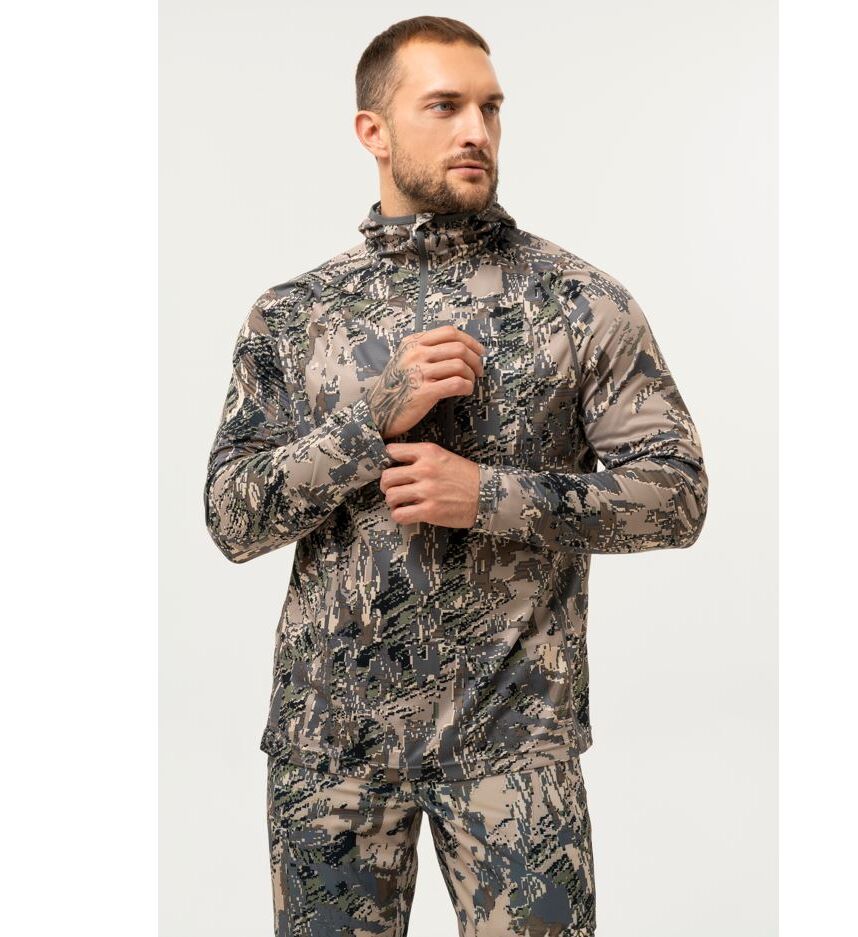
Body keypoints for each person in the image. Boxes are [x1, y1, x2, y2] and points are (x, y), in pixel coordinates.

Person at [203, 15, 708, 937]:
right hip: (330, 747)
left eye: (489, 107)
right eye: (444, 106)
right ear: (373, 130)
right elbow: (232, 519)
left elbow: (676, 495)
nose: (476, 129)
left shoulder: (579, 302)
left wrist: (487, 496)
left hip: (516, 746)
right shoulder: (295, 314)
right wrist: (366, 421)